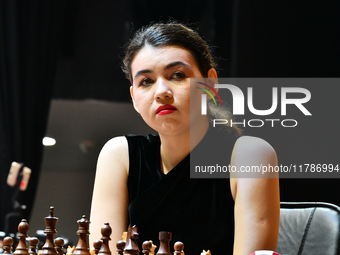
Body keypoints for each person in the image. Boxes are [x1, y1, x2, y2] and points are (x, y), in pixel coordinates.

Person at [90, 22, 280, 255]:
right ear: (133, 98)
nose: (161, 92)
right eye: (146, 81)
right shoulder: (118, 155)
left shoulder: (250, 155)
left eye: (177, 75)